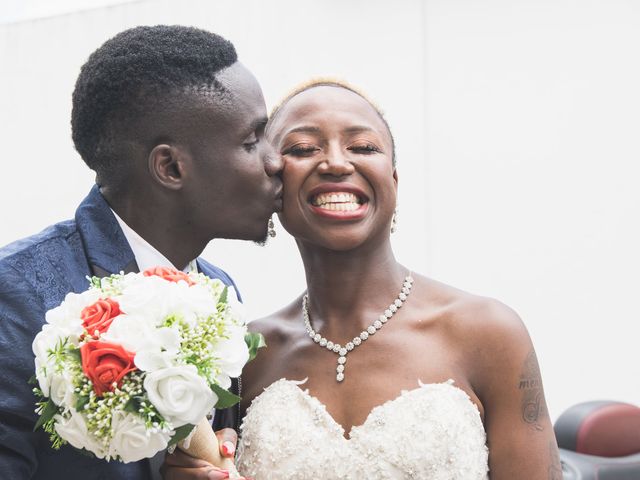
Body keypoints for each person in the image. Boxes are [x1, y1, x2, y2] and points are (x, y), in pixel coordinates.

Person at [164, 80, 562, 479]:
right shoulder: (245, 353)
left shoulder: (488, 334)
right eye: (303, 149)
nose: (336, 163)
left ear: (394, 180)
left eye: (364, 147)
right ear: (273, 187)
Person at [0, 25, 282, 480]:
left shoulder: (219, 290)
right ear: (170, 167)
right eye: (252, 142)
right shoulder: (16, 296)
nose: (277, 161)